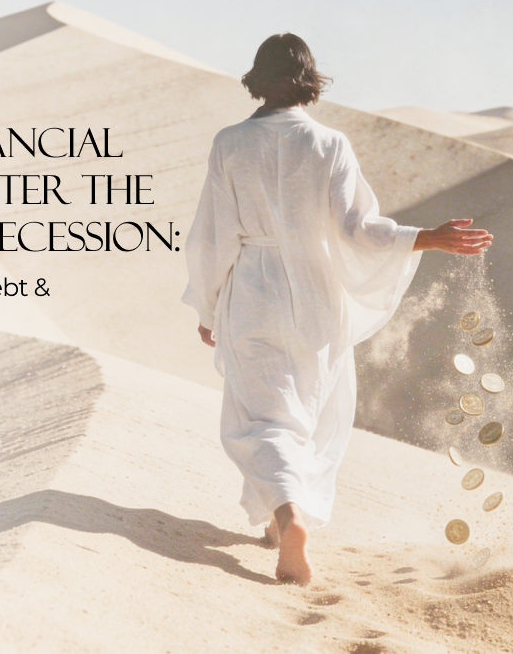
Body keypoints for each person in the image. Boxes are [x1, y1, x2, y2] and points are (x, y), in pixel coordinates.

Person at [182, 33, 492, 585]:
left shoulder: (230, 143)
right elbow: (359, 230)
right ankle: (282, 526)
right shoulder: (330, 144)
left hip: (254, 290)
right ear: (309, 80)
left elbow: (212, 236)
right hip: (317, 295)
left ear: (258, 78)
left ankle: (287, 517)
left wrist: (208, 305)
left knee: (261, 419)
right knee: (309, 413)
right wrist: (427, 237)